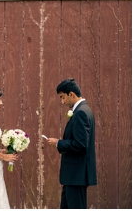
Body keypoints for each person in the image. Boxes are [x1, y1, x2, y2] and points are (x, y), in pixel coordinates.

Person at [46, 78, 96, 209]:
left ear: (71, 94)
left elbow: (80, 144)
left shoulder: (81, 113)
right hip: (73, 176)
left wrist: (59, 143)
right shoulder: (84, 110)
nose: (62, 102)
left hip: (76, 174)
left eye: (62, 97)